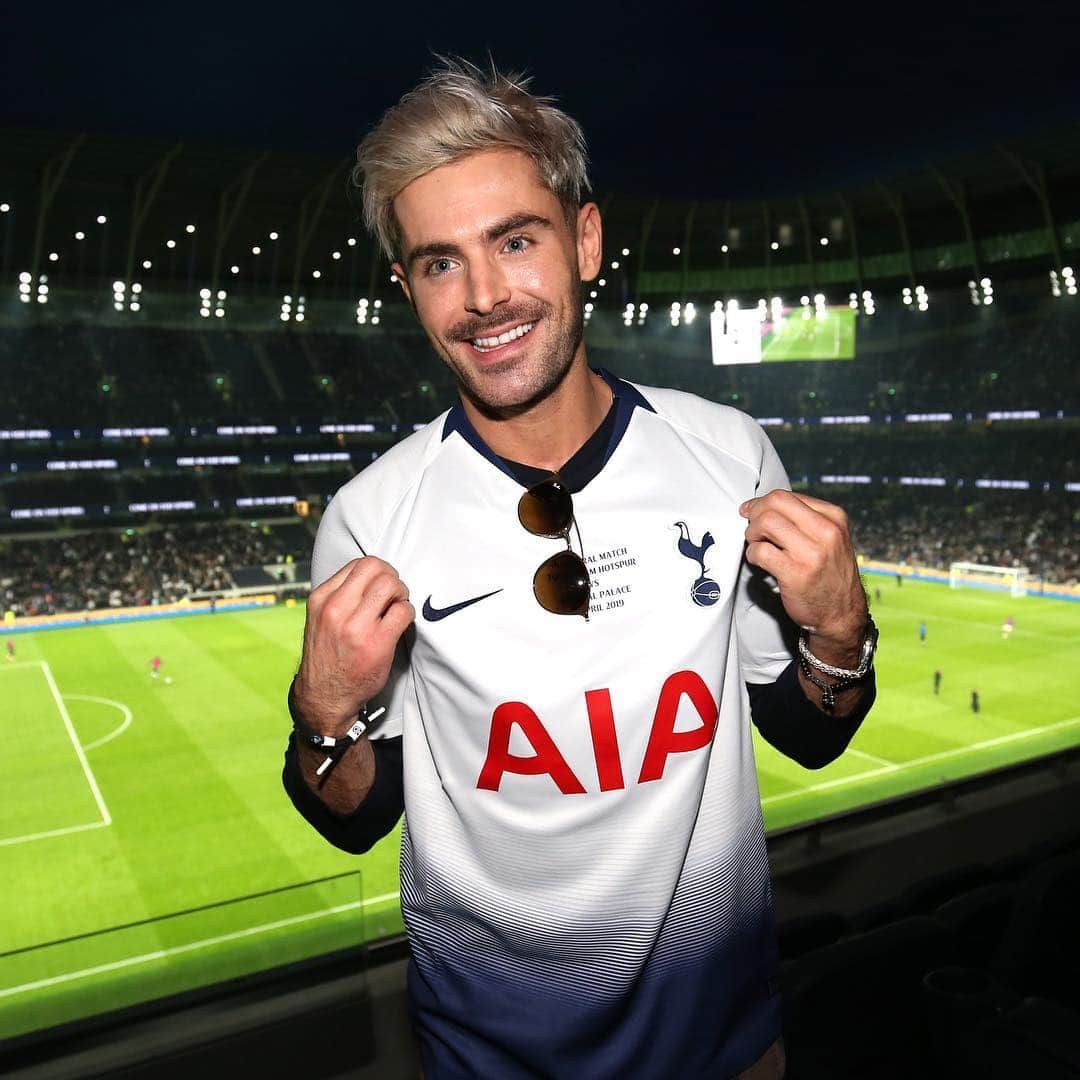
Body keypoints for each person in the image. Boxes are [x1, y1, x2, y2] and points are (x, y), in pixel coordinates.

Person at [282, 60, 877, 1080]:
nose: (483, 298)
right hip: (492, 1061)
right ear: (408, 289)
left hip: (727, 1047)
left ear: (586, 241)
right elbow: (355, 817)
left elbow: (807, 734)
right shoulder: (371, 518)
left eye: (515, 241)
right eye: (438, 263)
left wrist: (840, 635)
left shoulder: (728, 455)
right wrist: (321, 710)